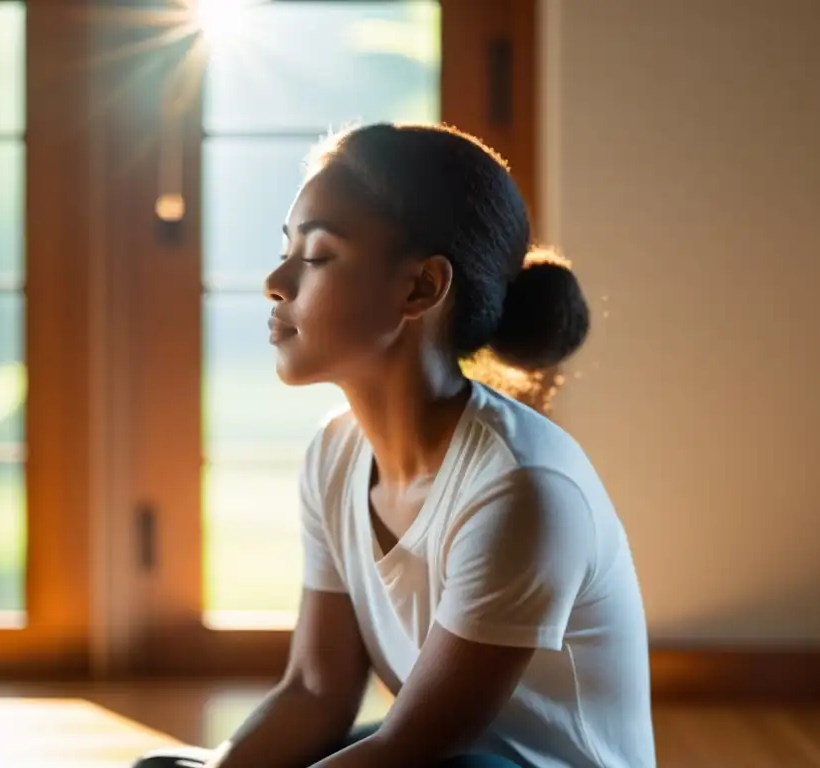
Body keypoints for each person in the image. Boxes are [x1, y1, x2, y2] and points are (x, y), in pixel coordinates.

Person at [135, 123, 655, 768]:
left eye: (317, 255)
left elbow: (411, 748)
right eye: (285, 249)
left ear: (420, 289)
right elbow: (315, 691)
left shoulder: (519, 487)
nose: (276, 280)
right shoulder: (335, 455)